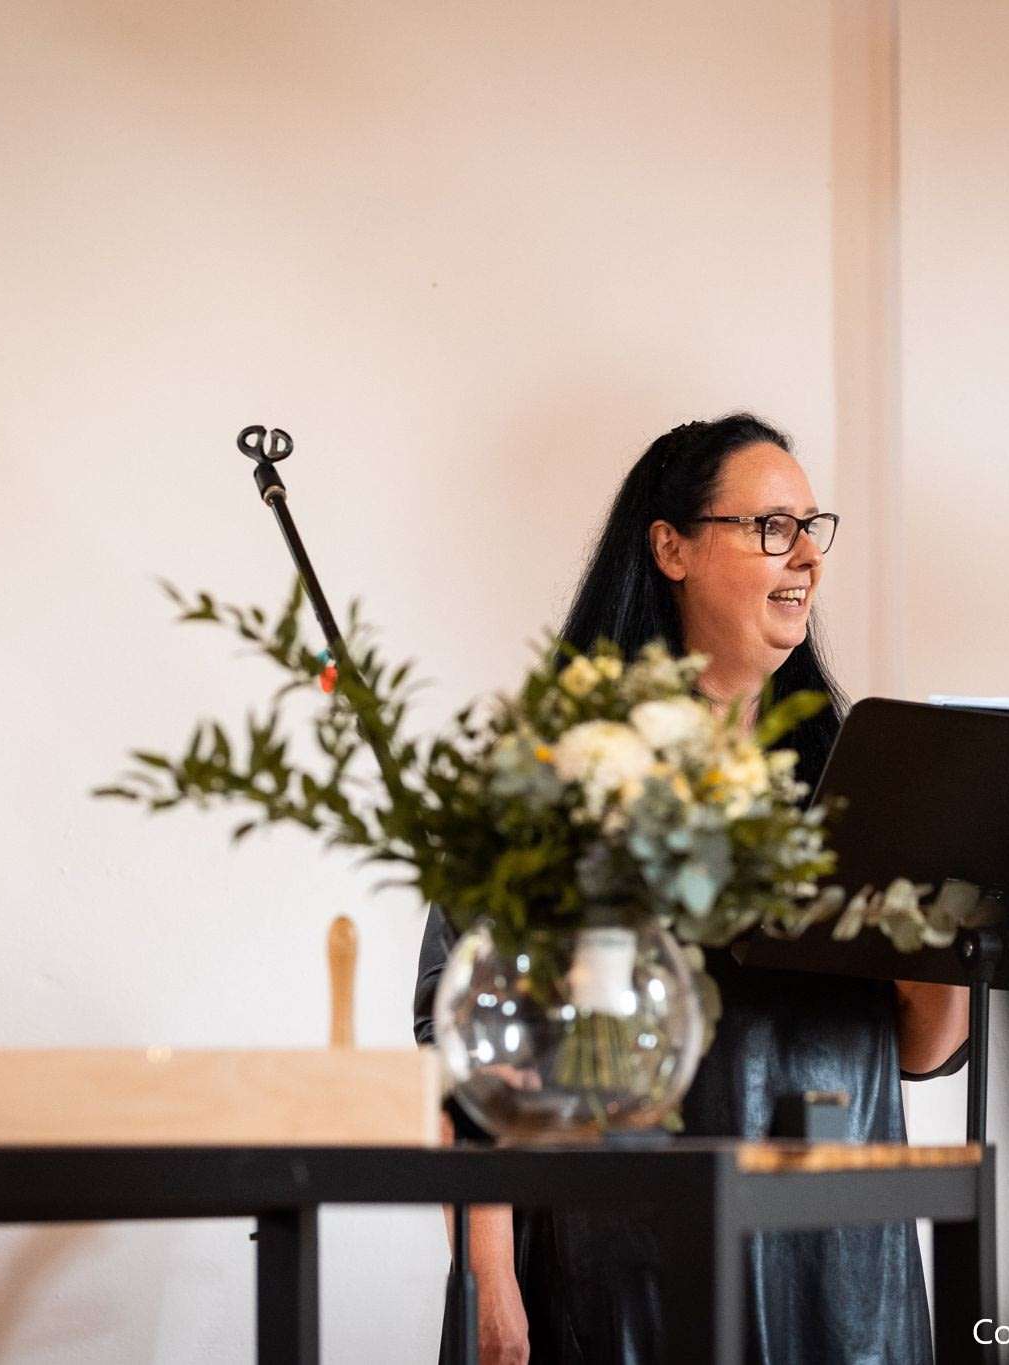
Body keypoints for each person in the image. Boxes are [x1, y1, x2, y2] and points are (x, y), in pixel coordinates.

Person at [413, 413, 970, 1364]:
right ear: (671, 548)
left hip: (842, 1269)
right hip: (625, 1265)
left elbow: (921, 1048)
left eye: (811, 525)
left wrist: (951, 928)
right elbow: (468, 1051)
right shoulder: (566, 770)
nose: (805, 555)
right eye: (770, 526)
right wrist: (490, 1280)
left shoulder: (859, 778)